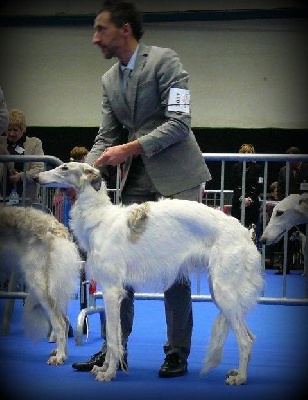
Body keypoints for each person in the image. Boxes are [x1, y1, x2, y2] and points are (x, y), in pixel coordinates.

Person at [72, 0, 211, 378]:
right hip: (135, 181)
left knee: (175, 269)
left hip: (178, 179)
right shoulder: (108, 80)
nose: (94, 38)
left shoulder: (165, 62)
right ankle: (114, 351)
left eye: (101, 29)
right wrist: (82, 174)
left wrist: (130, 148)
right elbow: (106, 137)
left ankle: (177, 351)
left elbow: (180, 123)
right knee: (114, 266)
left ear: (125, 30)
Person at [275, 146, 308, 274]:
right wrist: (285, 204)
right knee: (286, 238)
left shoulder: (307, 168)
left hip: (305, 211)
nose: (289, 162)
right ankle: (284, 267)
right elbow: (280, 188)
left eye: (292, 159)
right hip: (289, 211)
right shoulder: (283, 170)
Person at [0, 109, 44, 204]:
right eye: (9, 129)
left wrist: (21, 176)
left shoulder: (34, 143)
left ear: (22, 129)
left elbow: (39, 169)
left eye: (15, 130)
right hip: (2, 200)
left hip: (27, 201)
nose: (11, 134)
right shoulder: (1, 143)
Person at [231, 143, 263, 232]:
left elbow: (259, 184)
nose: (246, 154)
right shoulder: (236, 167)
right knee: (236, 228)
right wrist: (242, 198)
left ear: (253, 153)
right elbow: (233, 184)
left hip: (252, 201)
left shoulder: (258, 168)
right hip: (238, 200)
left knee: (251, 228)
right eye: (244, 152)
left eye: (249, 152)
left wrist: (250, 198)